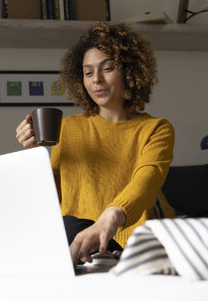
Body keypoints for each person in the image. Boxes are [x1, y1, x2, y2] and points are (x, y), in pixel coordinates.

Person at [15, 22, 175, 265]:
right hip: (74, 237)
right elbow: (49, 197)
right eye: (88, 72)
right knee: (66, 225)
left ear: (130, 71)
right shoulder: (68, 127)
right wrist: (33, 154)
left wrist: (109, 217)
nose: (97, 79)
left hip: (129, 243)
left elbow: (146, 183)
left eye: (107, 68)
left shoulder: (157, 129)